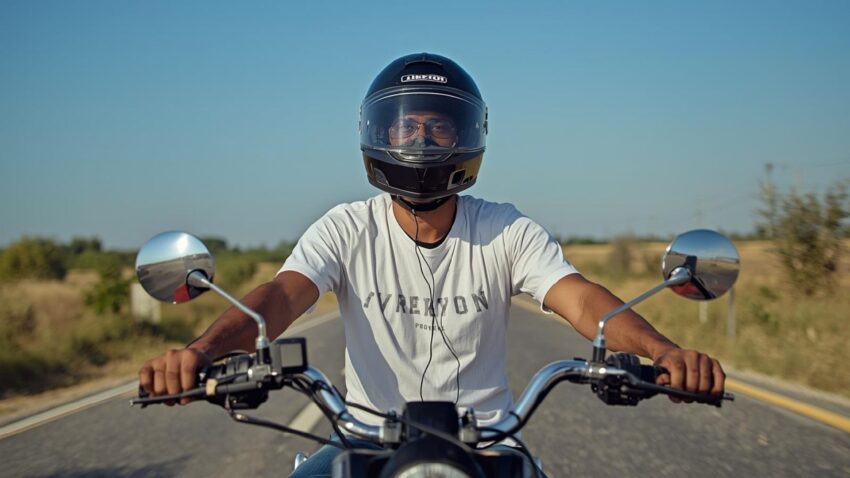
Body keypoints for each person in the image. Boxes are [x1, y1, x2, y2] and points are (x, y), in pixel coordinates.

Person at [138, 53, 726, 476]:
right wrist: (202, 352)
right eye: (407, 126)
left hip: (490, 441)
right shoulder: (346, 227)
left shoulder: (503, 228)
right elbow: (281, 297)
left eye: (438, 125)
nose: (420, 139)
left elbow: (581, 299)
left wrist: (663, 352)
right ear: (379, 134)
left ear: (466, 136)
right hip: (363, 438)